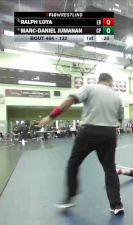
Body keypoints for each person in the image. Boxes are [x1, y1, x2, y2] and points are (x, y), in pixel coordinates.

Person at [39, 73, 124, 215]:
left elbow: (69, 100)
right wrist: (114, 135)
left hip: (89, 131)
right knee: (110, 169)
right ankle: (116, 205)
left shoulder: (90, 87)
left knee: (73, 163)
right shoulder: (117, 96)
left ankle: (69, 198)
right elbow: (119, 119)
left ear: (99, 81)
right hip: (109, 133)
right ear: (110, 82)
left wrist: (51, 116)